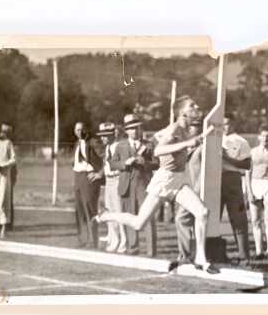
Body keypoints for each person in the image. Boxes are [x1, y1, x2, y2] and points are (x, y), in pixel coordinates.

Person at [93, 96, 218, 273]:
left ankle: (200, 258)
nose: (196, 106)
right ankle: (107, 216)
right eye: (192, 106)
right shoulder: (175, 129)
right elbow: (159, 151)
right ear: (183, 113)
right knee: (138, 223)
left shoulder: (183, 129)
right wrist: (187, 143)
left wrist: (190, 141)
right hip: (164, 180)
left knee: (202, 212)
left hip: (179, 179)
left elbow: (160, 138)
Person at [108, 114, 158, 256]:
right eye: (131, 129)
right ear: (126, 131)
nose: (134, 131)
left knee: (148, 216)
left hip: (144, 185)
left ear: (140, 129)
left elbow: (157, 163)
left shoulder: (149, 145)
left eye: (136, 128)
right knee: (129, 216)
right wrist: (124, 163)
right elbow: (112, 164)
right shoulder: (120, 145)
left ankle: (151, 250)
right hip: (126, 185)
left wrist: (145, 163)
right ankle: (133, 247)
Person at [221, 113, 252, 266]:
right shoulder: (212, 138)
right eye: (222, 123)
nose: (224, 126)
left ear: (233, 124)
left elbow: (247, 164)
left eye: (227, 123)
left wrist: (226, 157)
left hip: (232, 179)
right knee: (211, 217)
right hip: (213, 179)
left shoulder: (241, 141)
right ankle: (210, 252)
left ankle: (244, 256)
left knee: (238, 217)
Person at [174, 116, 204, 263]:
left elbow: (205, 171)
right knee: (187, 221)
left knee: (181, 219)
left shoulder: (203, 147)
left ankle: (185, 254)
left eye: (194, 126)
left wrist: (197, 190)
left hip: (196, 190)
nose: (191, 129)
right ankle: (188, 254)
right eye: (191, 126)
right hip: (183, 188)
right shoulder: (186, 146)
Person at [245, 125, 268, 261]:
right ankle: (259, 251)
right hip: (255, 184)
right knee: (255, 220)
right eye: (263, 135)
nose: (265, 138)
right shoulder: (252, 152)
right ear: (259, 137)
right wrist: (249, 191)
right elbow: (247, 173)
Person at [96, 122, 127, 253]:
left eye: (105, 135)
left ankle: (124, 241)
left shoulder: (119, 146)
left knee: (119, 212)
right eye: (102, 135)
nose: (102, 138)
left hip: (117, 179)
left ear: (112, 134)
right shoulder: (108, 147)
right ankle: (114, 239)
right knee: (109, 211)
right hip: (108, 181)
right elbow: (106, 165)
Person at [73, 122, 104, 249]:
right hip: (77, 177)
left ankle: (93, 240)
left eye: (82, 129)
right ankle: (82, 239)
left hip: (89, 177)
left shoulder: (93, 142)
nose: (80, 132)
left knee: (90, 208)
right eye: (77, 130)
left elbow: (106, 158)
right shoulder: (77, 143)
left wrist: (100, 173)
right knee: (79, 210)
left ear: (86, 130)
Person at [0, 123, 16, 239]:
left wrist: (3, 165)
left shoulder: (8, 143)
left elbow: (13, 159)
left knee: (2, 200)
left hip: (3, 175)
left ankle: (4, 228)